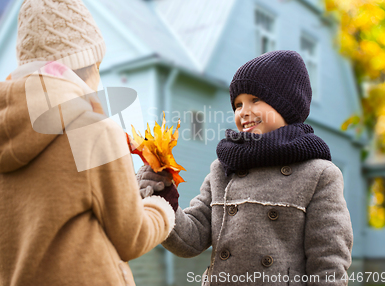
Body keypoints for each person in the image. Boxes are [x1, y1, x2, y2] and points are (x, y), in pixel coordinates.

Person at [0, 0, 175, 286]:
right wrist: (161, 205)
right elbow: (132, 239)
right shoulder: (94, 133)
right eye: (97, 66)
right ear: (86, 65)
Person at [137, 50, 353, 285]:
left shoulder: (319, 174)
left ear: (287, 105)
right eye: (238, 104)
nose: (243, 111)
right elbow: (192, 239)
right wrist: (163, 196)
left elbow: (329, 262)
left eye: (255, 100)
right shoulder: (223, 169)